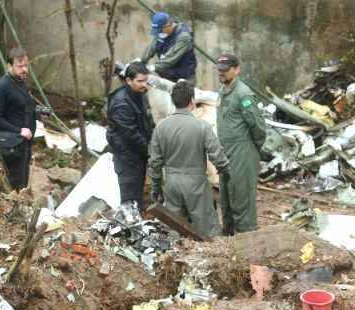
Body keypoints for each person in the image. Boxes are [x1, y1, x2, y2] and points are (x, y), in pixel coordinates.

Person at [149, 80, 229, 238]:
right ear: (192, 101)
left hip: (171, 183)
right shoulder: (202, 126)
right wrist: (226, 171)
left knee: (174, 227)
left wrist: (156, 187)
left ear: (173, 101)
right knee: (208, 229)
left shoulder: (161, 127)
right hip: (196, 183)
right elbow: (217, 157)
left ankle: (175, 258)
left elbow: (155, 163)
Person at [216, 53, 267, 235]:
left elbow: (258, 126)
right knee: (226, 196)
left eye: (226, 70)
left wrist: (253, 148)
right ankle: (230, 237)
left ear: (237, 70)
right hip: (226, 151)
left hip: (242, 150)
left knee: (242, 196)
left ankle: (247, 239)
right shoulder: (223, 91)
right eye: (219, 70)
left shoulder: (243, 94)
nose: (221, 74)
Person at [106, 62, 155, 215]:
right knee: (129, 199)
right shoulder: (122, 102)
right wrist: (150, 150)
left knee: (137, 195)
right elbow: (130, 133)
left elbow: (145, 123)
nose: (144, 84)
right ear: (128, 80)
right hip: (127, 157)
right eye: (140, 81)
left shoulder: (138, 95)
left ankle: (137, 221)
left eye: (146, 80)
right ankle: (130, 229)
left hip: (137, 155)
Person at [0, 46, 38, 191]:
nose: (24, 70)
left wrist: (37, 114)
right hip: (11, 145)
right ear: (9, 66)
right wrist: (18, 130)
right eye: (20, 66)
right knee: (14, 184)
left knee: (23, 182)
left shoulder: (21, 82)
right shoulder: (1, 86)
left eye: (26, 65)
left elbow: (22, 108)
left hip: (24, 143)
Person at [141, 12, 197, 83]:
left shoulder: (183, 36)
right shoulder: (161, 33)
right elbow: (151, 48)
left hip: (184, 76)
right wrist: (140, 62)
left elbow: (170, 58)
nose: (159, 33)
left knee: (183, 93)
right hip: (168, 75)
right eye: (158, 31)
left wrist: (152, 67)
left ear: (169, 25)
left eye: (160, 30)